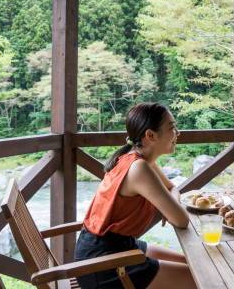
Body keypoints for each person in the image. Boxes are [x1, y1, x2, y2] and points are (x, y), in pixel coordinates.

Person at [75, 102, 196, 289]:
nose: (178, 133)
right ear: (150, 135)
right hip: (103, 264)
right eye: (172, 128)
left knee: (195, 266)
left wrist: (171, 205)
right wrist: (172, 207)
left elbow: (173, 188)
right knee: (200, 279)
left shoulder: (139, 159)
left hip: (118, 247)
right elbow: (181, 220)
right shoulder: (139, 168)